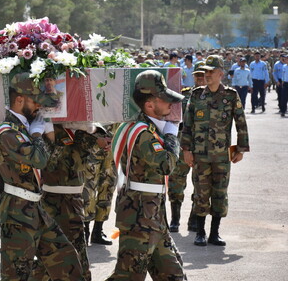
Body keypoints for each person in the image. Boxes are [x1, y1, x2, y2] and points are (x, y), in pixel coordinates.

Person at [0, 72, 84, 281]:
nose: (38, 107)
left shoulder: (22, 129)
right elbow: (40, 160)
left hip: (35, 208)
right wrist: (36, 134)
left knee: (67, 261)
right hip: (17, 210)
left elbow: (49, 160)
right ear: (19, 99)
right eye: (35, 102)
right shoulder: (7, 132)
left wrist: (45, 134)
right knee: (17, 274)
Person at [106, 70, 185, 280]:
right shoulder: (143, 133)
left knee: (174, 274)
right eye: (166, 100)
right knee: (128, 275)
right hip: (139, 217)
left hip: (153, 214)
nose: (171, 105)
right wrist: (171, 137)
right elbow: (166, 165)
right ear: (150, 104)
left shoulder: (150, 129)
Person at [182, 55, 250, 247]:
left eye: (211, 71)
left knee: (220, 193)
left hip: (221, 155)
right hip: (200, 155)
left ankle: (215, 233)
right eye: (206, 71)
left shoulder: (230, 95)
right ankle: (200, 232)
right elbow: (187, 125)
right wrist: (186, 149)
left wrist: (240, 149)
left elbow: (241, 122)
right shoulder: (196, 95)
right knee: (201, 193)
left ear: (221, 73)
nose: (207, 74)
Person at [30, 123, 94, 280]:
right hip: (56, 202)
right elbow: (48, 163)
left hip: (75, 201)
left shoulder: (78, 131)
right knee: (54, 255)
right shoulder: (49, 128)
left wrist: (91, 131)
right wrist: (53, 139)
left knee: (75, 253)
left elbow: (86, 159)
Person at [168, 62, 207, 233]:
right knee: (176, 183)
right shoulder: (183, 97)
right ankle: (175, 219)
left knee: (200, 186)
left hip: (204, 149)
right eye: (197, 75)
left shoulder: (215, 99)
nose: (200, 78)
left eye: (203, 75)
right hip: (183, 147)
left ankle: (193, 219)